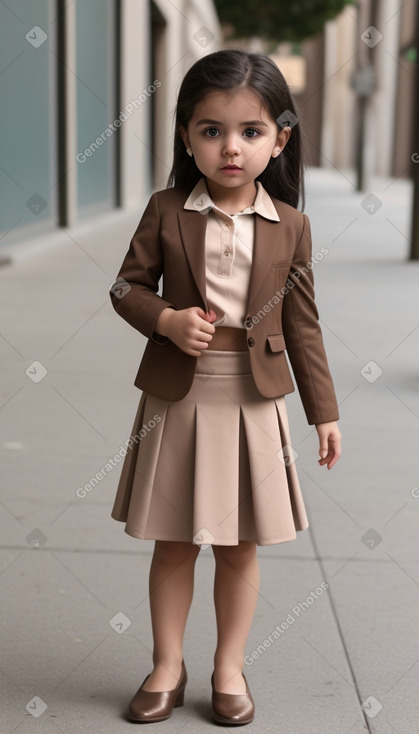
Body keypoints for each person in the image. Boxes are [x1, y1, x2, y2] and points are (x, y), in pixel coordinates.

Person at [109, 49, 341, 726]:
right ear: (186, 135)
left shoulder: (291, 227)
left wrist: (323, 413)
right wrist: (167, 321)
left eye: (249, 131)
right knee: (174, 541)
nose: (229, 147)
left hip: (252, 397)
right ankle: (166, 664)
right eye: (210, 130)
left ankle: (228, 667)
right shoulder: (165, 210)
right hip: (178, 397)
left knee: (239, 545)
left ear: (280, 139)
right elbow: (126, 287)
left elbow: (303, 327)